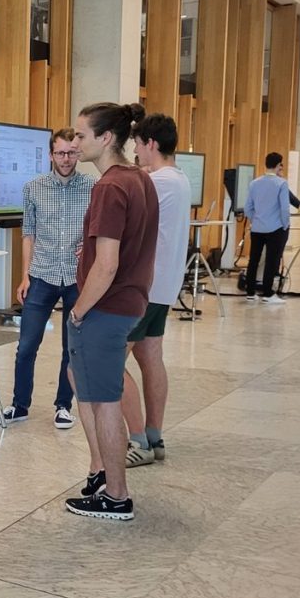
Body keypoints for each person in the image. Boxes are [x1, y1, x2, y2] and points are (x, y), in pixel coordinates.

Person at [64, 102, 158, 521]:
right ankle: (103, 475)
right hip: (131, 301)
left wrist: (78, 311)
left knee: (104, 401)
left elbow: (107, 265)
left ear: (106, 138)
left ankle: (116, 495)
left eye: (81, 135)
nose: (74, 143)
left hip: (105, 307)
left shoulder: (108, 187)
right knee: (88, 385)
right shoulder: (140, 179)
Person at [0, 128, 96, 429]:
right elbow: (28, 234)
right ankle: (19, 405)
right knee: (26, 346)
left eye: (71, 153)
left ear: (78, 153)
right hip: (42, 275)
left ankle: (63, 406)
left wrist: (89, 245)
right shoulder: (33, 188)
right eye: (60, 153)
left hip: (77, 277)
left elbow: (98, 229)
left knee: (71, 347)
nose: (66, 159)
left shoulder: (93, 187)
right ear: (51, 155)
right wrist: (24, 276)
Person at [120, 114, 191, 467]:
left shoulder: (157, 181)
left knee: (107, 362)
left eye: (137, 144)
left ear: (151, 143)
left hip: (142, 287)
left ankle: (138, 441)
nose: (135, 151)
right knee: (150, 359)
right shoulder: (179, 179)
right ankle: (154, 436)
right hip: (164, 287)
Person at [242, 153, 291, 304]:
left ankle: (250, 292)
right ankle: (268, 294)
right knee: (271, 260)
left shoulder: (254, 183)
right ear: (278, 165)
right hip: (275, 228)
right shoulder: (281, 184)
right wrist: (285, 224)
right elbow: (284, 208)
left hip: (257, 228)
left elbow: (247, 208)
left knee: (254, 260)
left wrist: (255, 220)